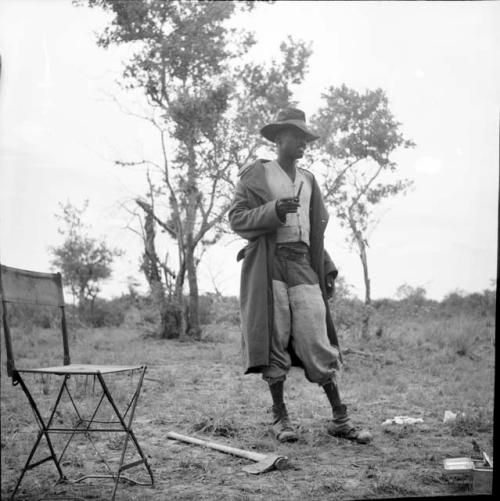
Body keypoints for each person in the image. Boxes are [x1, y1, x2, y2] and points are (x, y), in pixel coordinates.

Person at [228, 108, 372, 444]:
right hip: (269, 265)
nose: (304, 143)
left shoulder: (308, 180)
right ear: (279, 139)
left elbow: (312, 232)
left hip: (304, 265)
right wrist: (273, 211)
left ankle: (340, 418)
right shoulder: (255, 175)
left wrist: (327, 266)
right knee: (275, 338)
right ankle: (280, 418)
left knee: (316, 338)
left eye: (306, 138)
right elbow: (236, 218)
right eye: (297, 137)